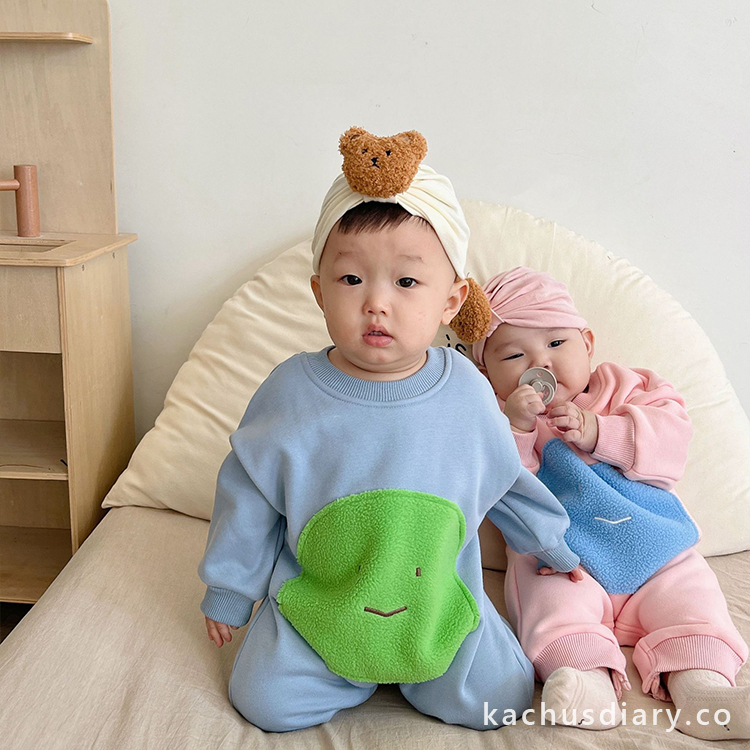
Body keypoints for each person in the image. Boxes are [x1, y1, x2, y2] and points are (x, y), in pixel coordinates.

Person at [197, 128, 583, 733]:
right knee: (263, 702)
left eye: (406, 282)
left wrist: (550, 543)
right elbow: (248, 496)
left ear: (451, 301)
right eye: (351, 280)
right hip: (325, 608)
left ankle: (430, 669)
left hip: (436, 609)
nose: (376, 303)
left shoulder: (466, 390)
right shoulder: (290, 394)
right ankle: (338, 668)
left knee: (502, 699)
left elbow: (504, 478)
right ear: (319, 292)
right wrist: (229, 589)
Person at [458, 265, 750, 739]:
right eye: (514, 354)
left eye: (557, 343)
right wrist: (516, 430)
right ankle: (586, 684)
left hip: (655, 549)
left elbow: (672, 443)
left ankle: (704, 689)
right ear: (486, 373)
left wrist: (600, 431)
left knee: (693, 600)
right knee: (552, 608)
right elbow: (495, 488)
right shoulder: (491, 417)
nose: (541, 363)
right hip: (563, 561)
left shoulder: (628, 387)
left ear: (588, 344)